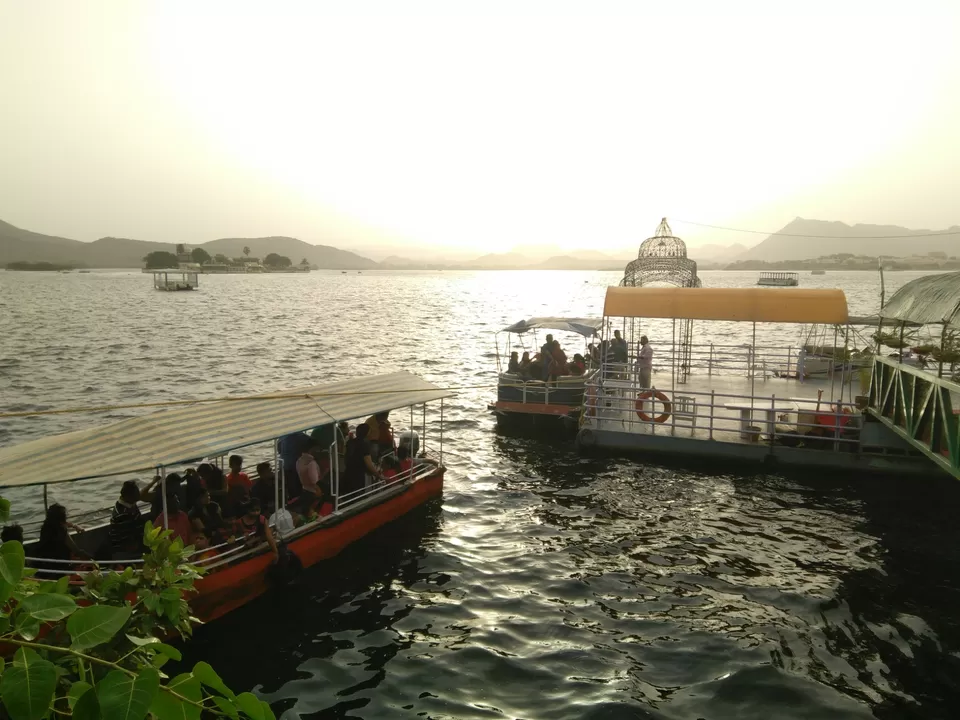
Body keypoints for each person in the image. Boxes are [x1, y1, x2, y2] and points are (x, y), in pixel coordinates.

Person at [34, 504, 91, 574]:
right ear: (62, 517)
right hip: (60, 566)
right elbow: (76, 551)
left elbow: (62, 523)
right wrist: (92, 560)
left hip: (45, 564)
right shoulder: (61, 531)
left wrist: (74, 526)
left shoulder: (45, 527)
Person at [109, 480, 148, 556]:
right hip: (126, 549)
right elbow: (129, 542)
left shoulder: (129, 504)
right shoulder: (122, 514)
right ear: (128, 496)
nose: (139, 495)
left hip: (135, 541)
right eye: (136, 494)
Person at [344, 423, 384, 494]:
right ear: (367, 433)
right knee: (358, 495)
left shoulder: (350, 442)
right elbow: (369, 464)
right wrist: (379, 475)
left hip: (348, 471)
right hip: (358, 475)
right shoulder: (364, 445)